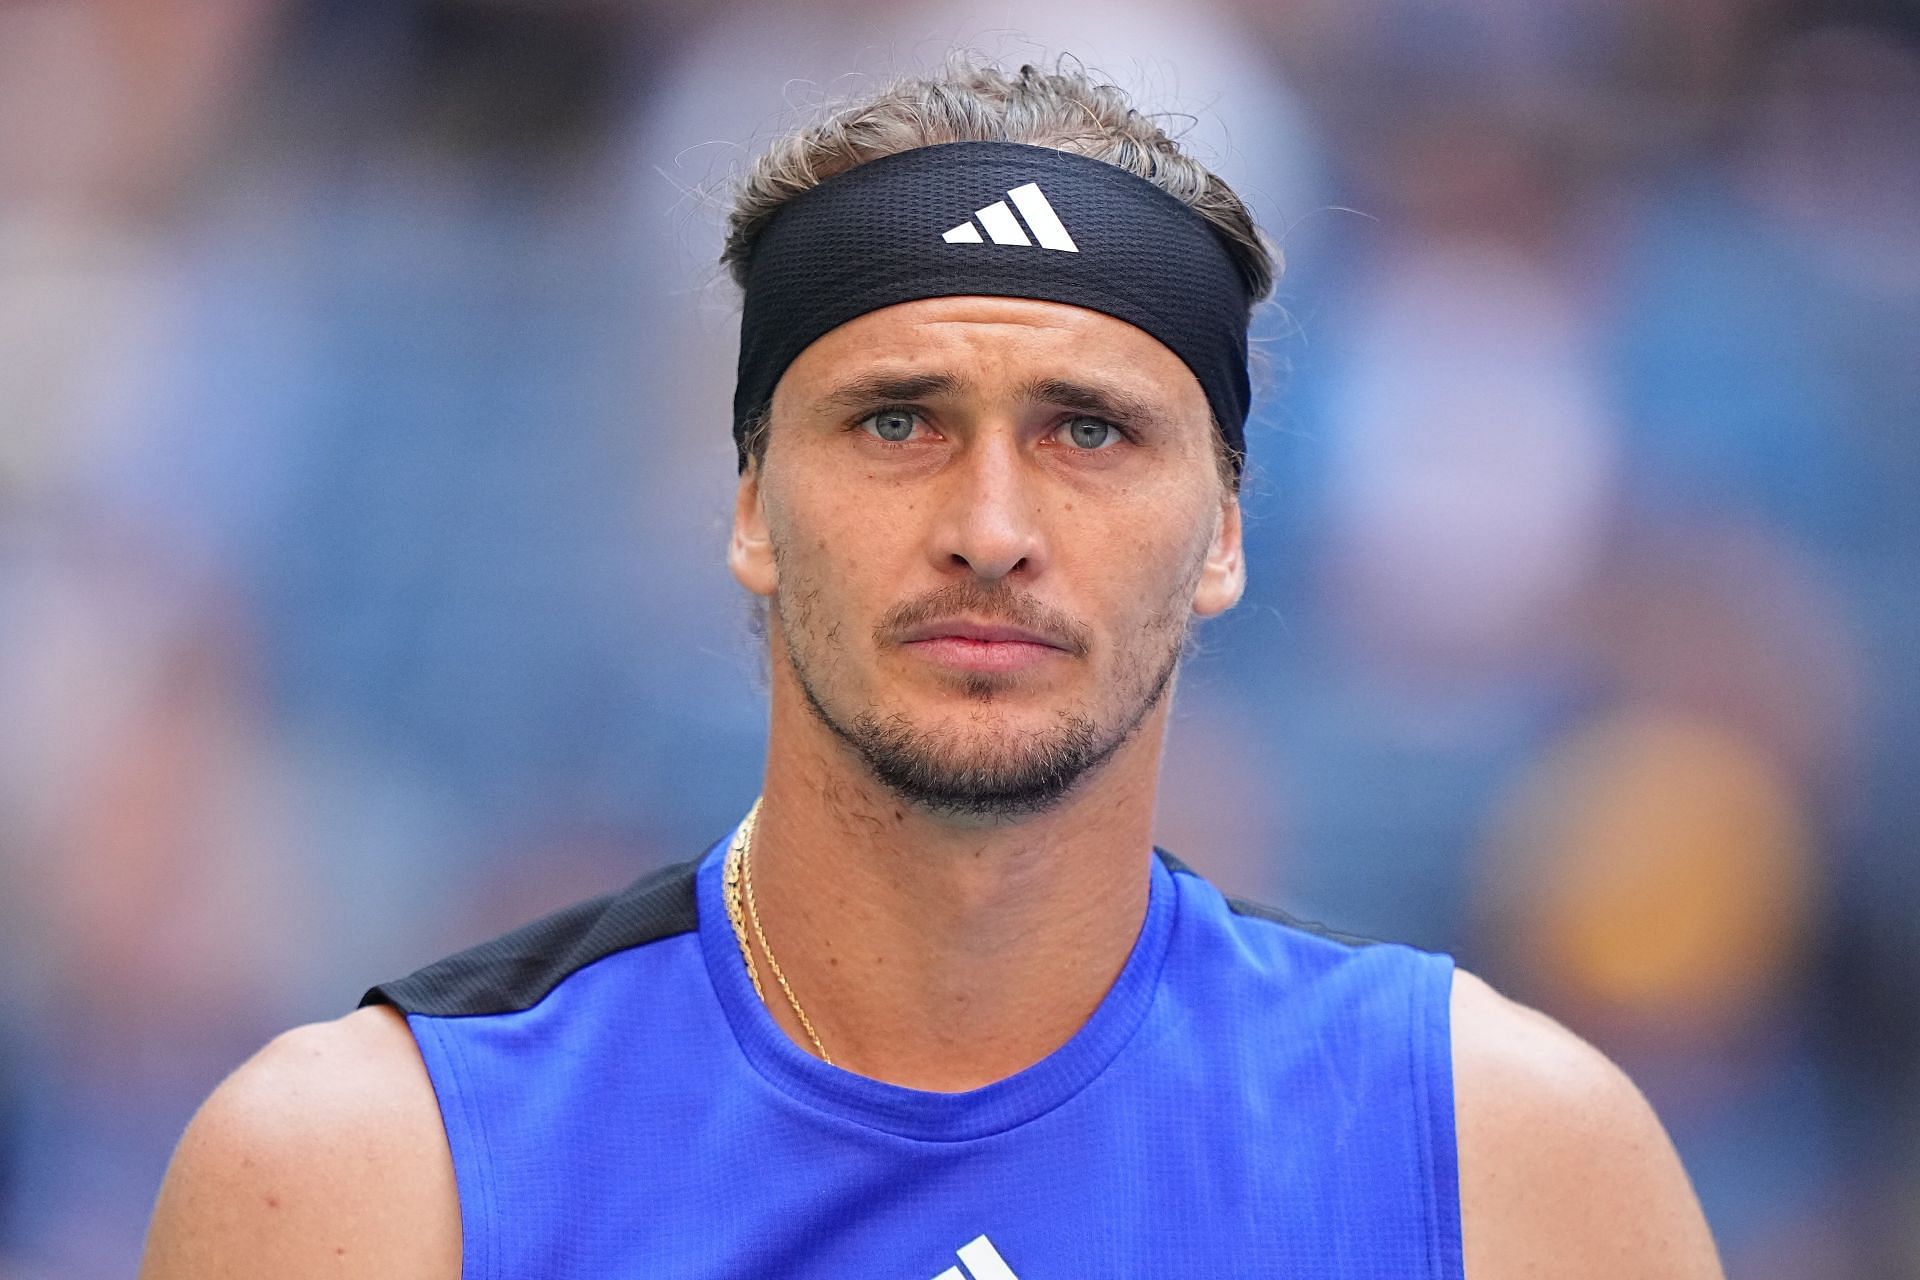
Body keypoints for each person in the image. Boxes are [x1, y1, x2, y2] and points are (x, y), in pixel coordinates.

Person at [139, 57, 1724, 1279]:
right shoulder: (375, 1169)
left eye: (1088, 432)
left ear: (1227, 535)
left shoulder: (1503, 1162)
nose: (990, 527)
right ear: (752, 506)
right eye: (896, 421)